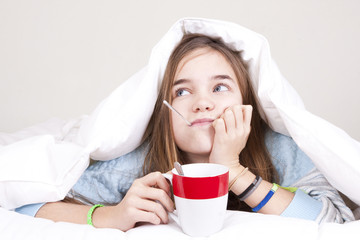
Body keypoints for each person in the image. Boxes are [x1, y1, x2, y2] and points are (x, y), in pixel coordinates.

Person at [15, 33, 355, 231]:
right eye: (182, 91)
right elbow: (23, 205)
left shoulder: (282, 150)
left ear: (247, 102)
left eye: (220, 87)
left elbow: (334, 222)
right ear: (164, 114)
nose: (203, 103)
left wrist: (232, 171)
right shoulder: (133, 165)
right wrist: (111, 215)